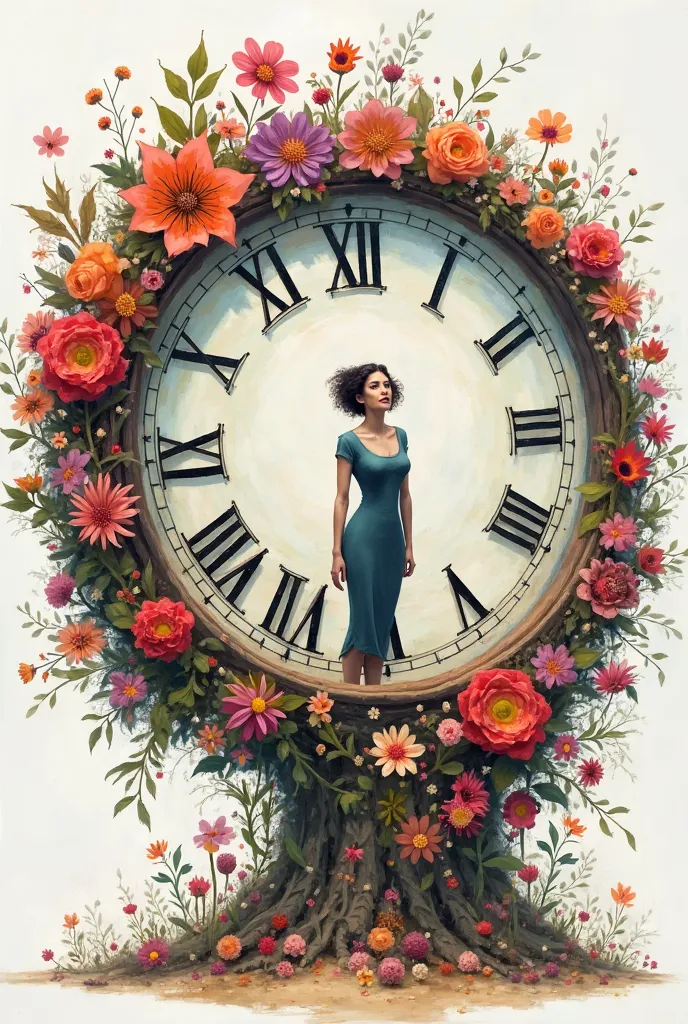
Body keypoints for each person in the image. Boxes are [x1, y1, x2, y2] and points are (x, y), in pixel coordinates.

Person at [327, 363, 415, 685]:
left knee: (381, 621)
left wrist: (409, 545)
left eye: (387, 385)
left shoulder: (401, 436)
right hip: (361, 539)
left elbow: (405, 496)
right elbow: (341, 498)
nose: (384, 390)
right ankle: (351, 700)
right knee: (362, 622)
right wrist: (337, 552)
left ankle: (373, 702)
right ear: (359, 397)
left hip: (393, 543)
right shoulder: (348, 441)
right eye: (375, 386)